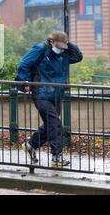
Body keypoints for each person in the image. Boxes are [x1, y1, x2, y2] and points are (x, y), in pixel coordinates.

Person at [15, 31, 83, 167]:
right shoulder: (40, 49)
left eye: (64, 47)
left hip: (57, 93)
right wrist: (24, 82)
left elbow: (78, 57)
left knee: (50, 125)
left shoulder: (65, 51)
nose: (61, 49)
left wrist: (68, 44)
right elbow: (24, 65)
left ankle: (30, 145)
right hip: (41, 93)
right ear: (51, 42)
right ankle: (56, 157)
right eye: (59, 46)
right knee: (55, 123)